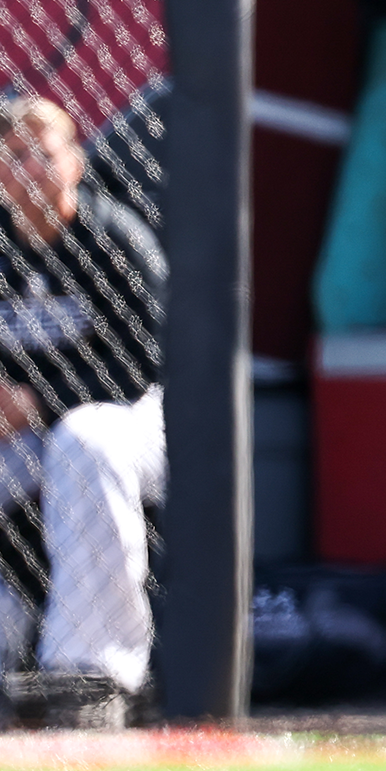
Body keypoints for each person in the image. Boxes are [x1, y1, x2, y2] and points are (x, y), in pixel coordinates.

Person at [0, 96, 166, 723]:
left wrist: (36, 400)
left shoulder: (114, 238)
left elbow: (145, 360)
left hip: (134, 419)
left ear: (75, 163)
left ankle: (92, 676)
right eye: (14, 154)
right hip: (25, 430)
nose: (28, 168)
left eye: (43, 153)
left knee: (83, 441)